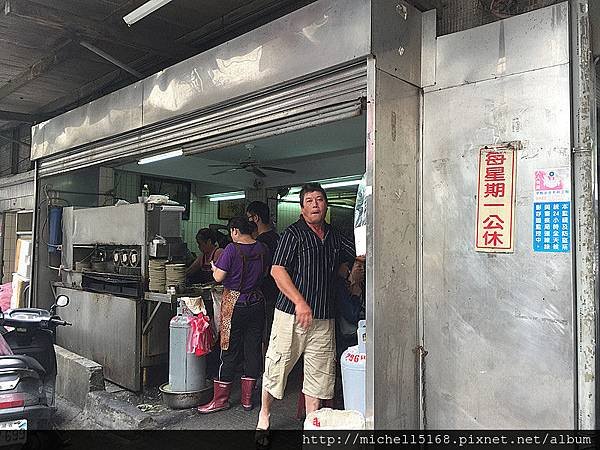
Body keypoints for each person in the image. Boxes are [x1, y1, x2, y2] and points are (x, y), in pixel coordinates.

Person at [255, 183, 355, 440]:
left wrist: (348, 271)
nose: (315, 204)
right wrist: (299, 301)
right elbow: (277, 270)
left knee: (319, 376)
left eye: (319, 199)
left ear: (326, 205)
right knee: (277, 368)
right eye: (309, 200)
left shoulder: (335, 235)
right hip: (290, 316)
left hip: (323, 318)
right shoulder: (293, 234)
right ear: (301, 207)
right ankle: (264, 416)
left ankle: (311, 426)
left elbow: (355, 255)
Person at [198, 217, 269, 414]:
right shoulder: (262, 248)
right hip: (257, 302)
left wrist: (214, 269)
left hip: (234, 303)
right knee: (253, 349)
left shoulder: (231, 248)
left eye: (231, 232)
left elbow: (218, 277)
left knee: (227, 349)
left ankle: (220, 400)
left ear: (235, 231)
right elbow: (264, 274)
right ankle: (247, 400)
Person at [246, 201, 280, 348]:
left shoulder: (259, 243)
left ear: (256, 218)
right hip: (279, 292)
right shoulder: (278, 237)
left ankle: (266, 368)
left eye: (249, 218)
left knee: (264, 334)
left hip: (265, 294)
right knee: (275, 333)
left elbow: (259, 272)